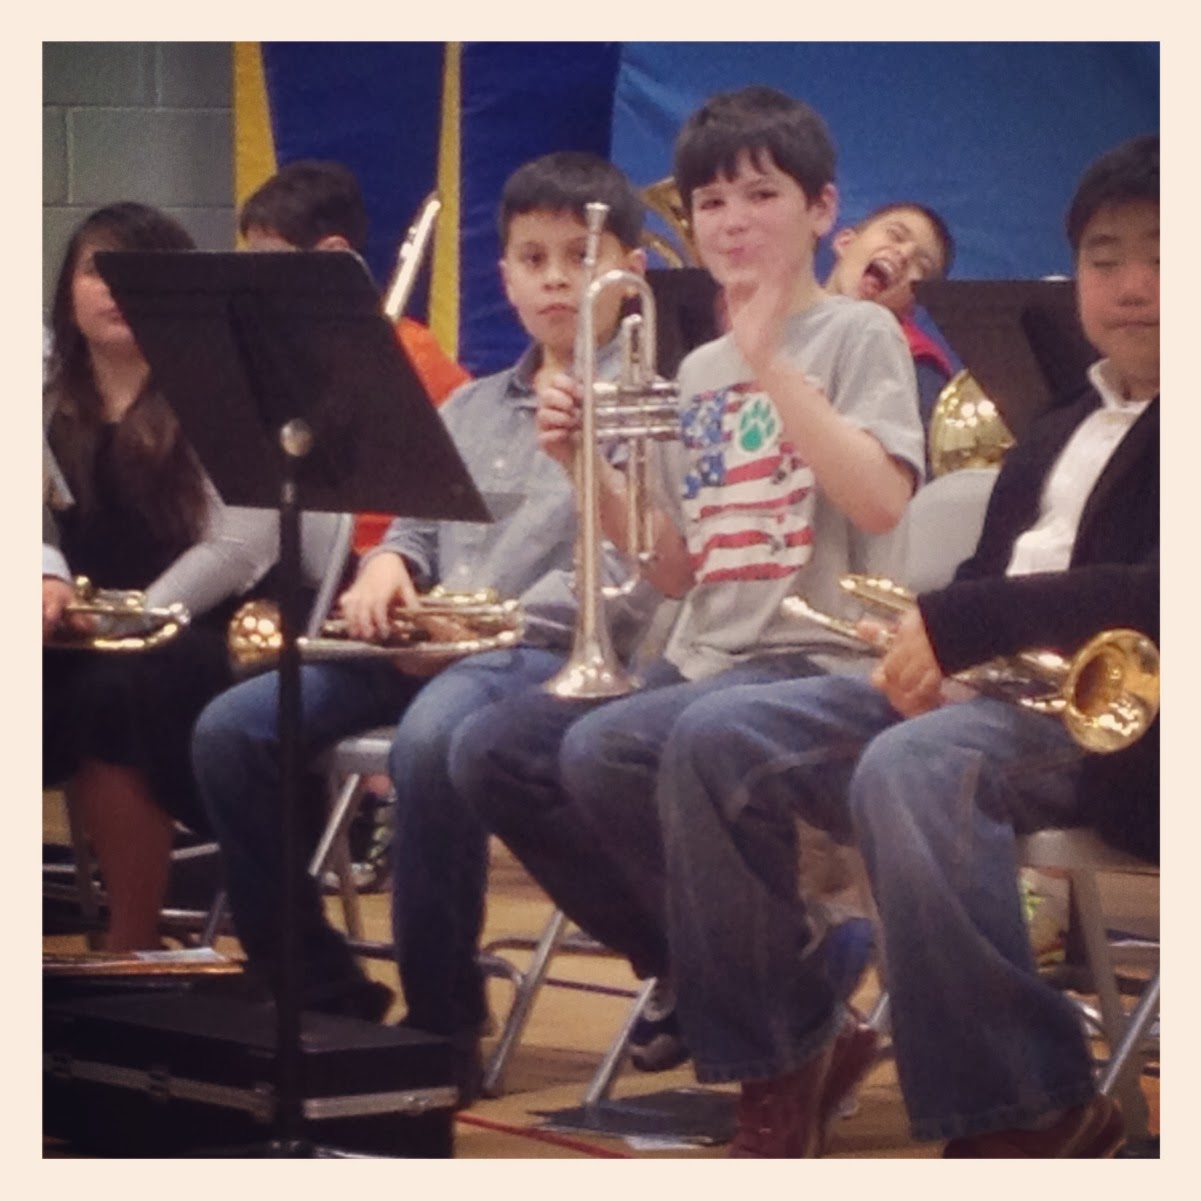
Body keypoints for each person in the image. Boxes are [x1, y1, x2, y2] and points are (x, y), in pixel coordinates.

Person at [652, 132, 1158, 1156]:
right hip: (1007, 695)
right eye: (1102, 257)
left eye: (1162, 253)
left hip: (1129, 731)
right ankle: (782, 1055)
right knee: (712, 738)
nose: (1131, 284)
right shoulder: (1062, 419)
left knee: (917, 766)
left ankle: (1030, 1107)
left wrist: (963, 627)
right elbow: (989, 577)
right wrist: (933, 641)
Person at [448, 86, 925, 1073]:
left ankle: (766, 1048)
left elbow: (881, 501)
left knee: (611, 748)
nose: (732, 220)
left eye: (760, 195)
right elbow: (673, 567)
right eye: (710, 202)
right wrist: (581, 463)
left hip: (825, 659)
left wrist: (773, 366)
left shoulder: (858, 334)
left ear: (821, 210)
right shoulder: (699, 369)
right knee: (493, 750)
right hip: (711, 658)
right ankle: (766, 972)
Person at [191, 151, 657, 1094]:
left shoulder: (651, 400)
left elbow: (632, 574)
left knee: (435, 739)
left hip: (539, 653)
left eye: (580, 256)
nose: (556, 278)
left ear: (630, 272)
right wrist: (389, 568)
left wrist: (459, 633)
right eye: (532, 258)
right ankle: (315, 987)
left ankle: (443, 1019)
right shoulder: (470, 403)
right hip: (432, 643)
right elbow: (414, 523)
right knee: (230, 730)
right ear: (504, 277)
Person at [43, 202, 278, 950]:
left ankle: (131, 941)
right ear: (68, 290)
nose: (114, 289)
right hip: (75, 625)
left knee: (112, 693)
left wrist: (131, 619)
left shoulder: (220, 391)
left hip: (198, 630)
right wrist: (45, 582)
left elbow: (239, 547)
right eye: (96, 270)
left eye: (137, 273)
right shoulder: (39, 394)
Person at [236, 158, 472, 555]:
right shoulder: (267, 354)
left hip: (380, 561)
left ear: (333, 254)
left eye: (270, 259)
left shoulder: (413, 354)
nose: (256, 279)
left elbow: (456, 495)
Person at [824, 201, 956, 430]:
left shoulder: (917, 369)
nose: (904, 254)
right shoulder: (769, 318)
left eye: (922, 265)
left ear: (915, 303)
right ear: (845, 242)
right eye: (895, 235)